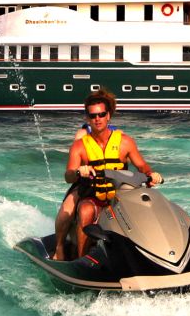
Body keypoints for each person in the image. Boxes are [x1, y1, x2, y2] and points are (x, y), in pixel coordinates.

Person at [51, 89, 162, 261]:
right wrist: (80, 171)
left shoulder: (125, 142)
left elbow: (141, 165)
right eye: (93, 115)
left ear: (108, 116)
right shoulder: (80, 146)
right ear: (88, 118)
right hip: (93, 195)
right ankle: (80, 258)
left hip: (119, 195)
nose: (97, 118)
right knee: (84, 210)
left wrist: (150, 174)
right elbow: (69, 175)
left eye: (101, 114)